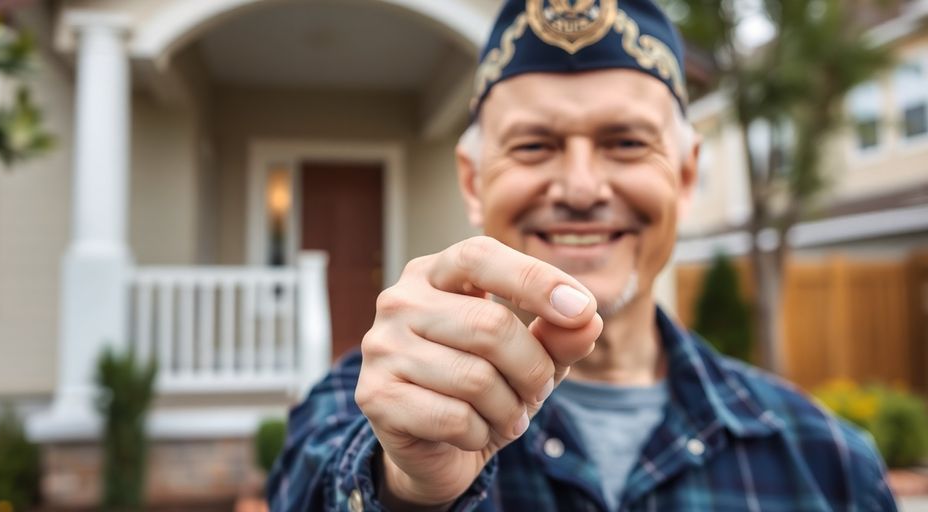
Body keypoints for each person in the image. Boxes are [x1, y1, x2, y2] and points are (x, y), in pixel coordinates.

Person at [268, 1, 898, 510]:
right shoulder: (365, 406)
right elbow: (308, 484)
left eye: (625, 142)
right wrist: (403, 489)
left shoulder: (827, 464)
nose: (579, 188)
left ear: (684, 174)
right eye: (535, 145)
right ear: (472, 180)